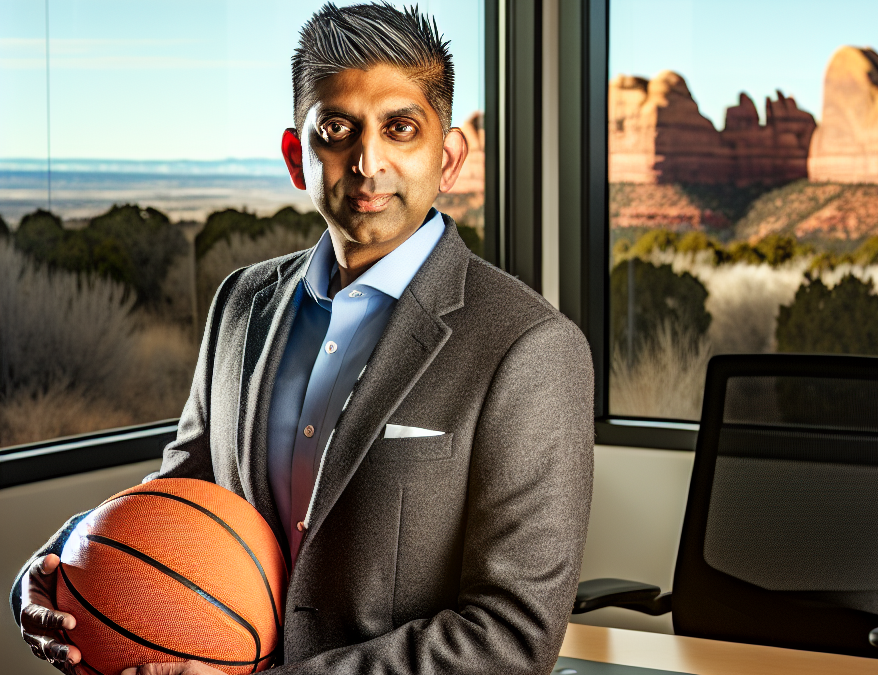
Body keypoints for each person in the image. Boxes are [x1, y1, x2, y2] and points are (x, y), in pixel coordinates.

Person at [11, 4, 594, 674]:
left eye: (400, 127)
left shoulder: (532, 348)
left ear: (449, 155)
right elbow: (182, 491)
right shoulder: (240, 304)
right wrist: (62, 560)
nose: (368, 161)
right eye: (338, 129)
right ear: (297, 156)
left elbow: (511, 634)